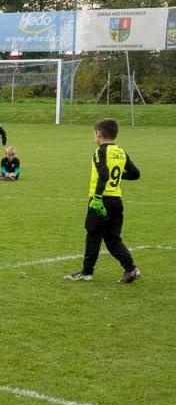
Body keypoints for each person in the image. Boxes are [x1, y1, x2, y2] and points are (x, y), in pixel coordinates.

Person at [65, 118, 141, 283]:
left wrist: (98, 197)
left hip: (101, 200)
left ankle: (86, 272)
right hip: (116, 200)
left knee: (93, 235)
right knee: (113, 238)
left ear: (98, 134)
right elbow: (135, 174)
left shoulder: (100, 152)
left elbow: (104, 174)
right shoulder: (121, 152)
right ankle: (131, 268)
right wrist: (120, 174)